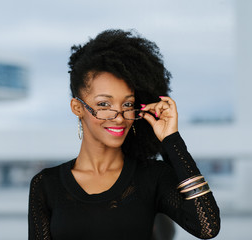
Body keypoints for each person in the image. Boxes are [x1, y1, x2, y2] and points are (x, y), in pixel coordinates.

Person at [28, 29, 220, 240]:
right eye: (104, 104)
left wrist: (170, 140)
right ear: (77, 107)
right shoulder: (46, 184)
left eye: (127, 104)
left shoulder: (152, 176)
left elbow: (207, 227)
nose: (119, 117)